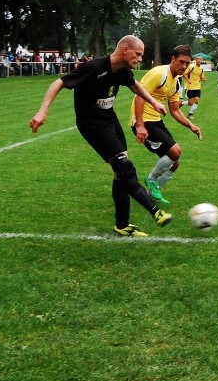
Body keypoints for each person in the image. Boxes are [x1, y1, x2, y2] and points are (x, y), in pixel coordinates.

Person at [29, 35, 172, 237]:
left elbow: (134, 85)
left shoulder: (122, 70)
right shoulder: (94, 67)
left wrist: (153, 102)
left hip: (109, 121)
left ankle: (122, 226)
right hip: (91, 124)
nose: (140, 59)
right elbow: (59, 83)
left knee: (120, 172)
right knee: (125, 167)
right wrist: (43, 111)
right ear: (125, 50)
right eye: (138, 54)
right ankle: (156, 212)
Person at [130, 45, 202, 205]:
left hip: (155, 120)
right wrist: (140, 125)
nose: (184, 66)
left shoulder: (176, 82)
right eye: (181, 62)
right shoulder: (159, 73)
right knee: (175, 151)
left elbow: (175, 110)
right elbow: (139, 97)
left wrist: (191, 126)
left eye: (187, 63)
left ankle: (153, 193)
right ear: (173, 59)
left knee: (174, 162)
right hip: (143, 121)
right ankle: (151, 179)